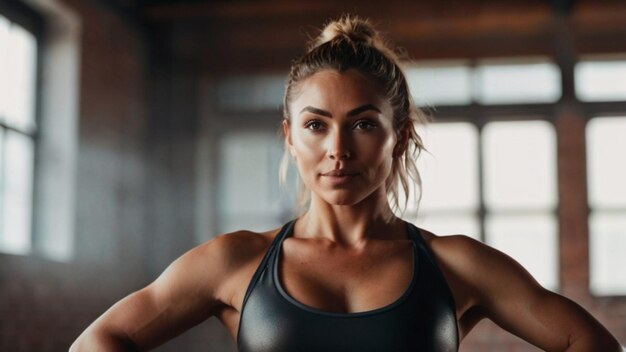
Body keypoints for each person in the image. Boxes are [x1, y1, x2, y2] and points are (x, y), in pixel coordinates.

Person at [70, 15, 622, 352]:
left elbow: (592, 343)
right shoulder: (235, 262)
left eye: (362, 124)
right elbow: (98, 341)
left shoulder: (456, 265)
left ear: (398, 137)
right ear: (290, 137)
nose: (338, 149)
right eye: (316, 125)